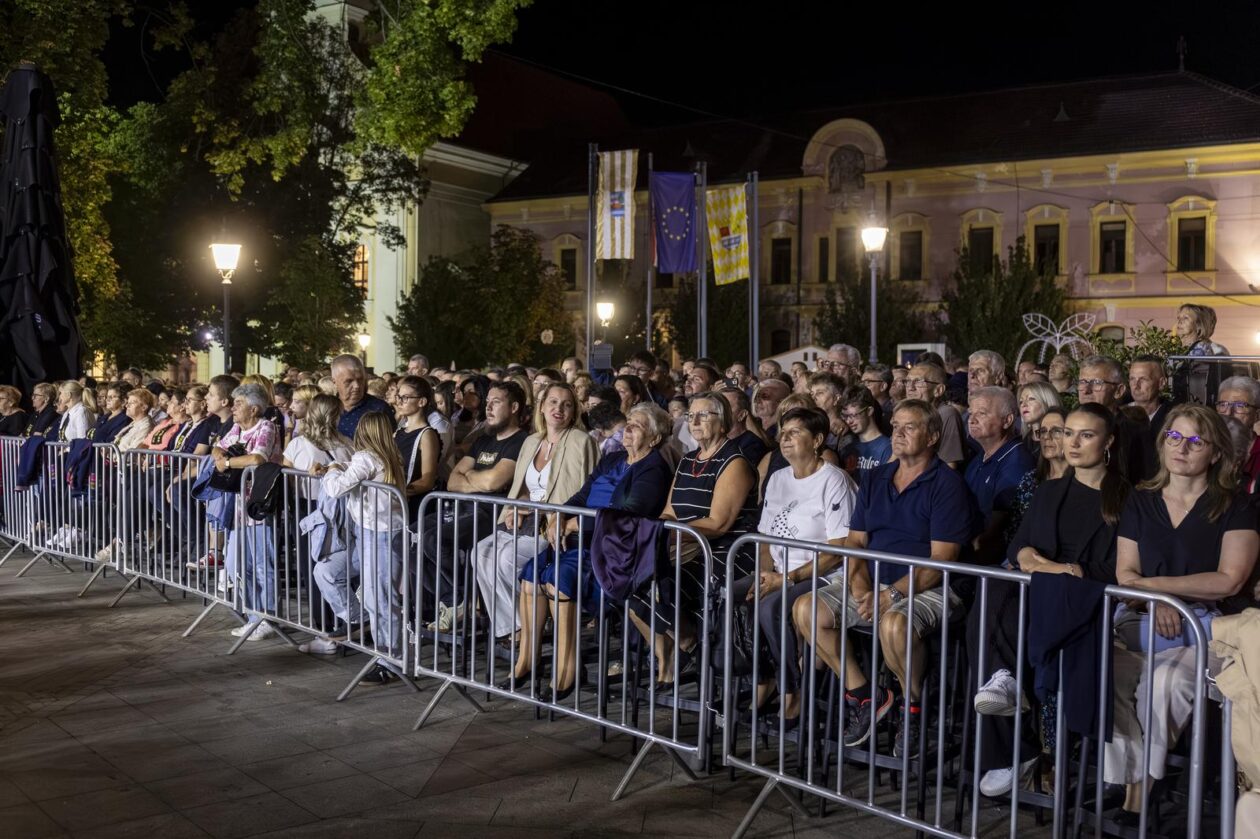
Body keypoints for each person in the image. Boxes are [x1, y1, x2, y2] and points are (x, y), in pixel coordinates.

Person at [794, 400, 976, 752]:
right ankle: (864, 694)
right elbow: (855, 542)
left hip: (929, 584)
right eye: (895, 426)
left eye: (910, 427)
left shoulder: (947, 484)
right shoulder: (876, 477)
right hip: (874, 580)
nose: (899, 433)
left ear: (932, 437)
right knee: (807, 608)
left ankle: (913, 709)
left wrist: (891, 594)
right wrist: (860, 584)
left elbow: (941, 559)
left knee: (893, 624)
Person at [1107, 404, 1259, 821]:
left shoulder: (1235, 505)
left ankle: (1140, 791)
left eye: (1195, 441)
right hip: (1140, 622)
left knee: (1165, 684)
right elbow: (1125, 574)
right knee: (1103, 675)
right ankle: (1124, 776)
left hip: (1206, 630)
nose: (1182, 447)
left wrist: (1160, 592)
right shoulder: (1141, 500)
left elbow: (1228, 580)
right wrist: (1155, 601)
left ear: (1215, 453)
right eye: (1174, 437)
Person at [973, 403, 1128, 796]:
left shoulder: (1126, 497)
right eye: (1067, 433)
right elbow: (1020, 547)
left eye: (1086, 435)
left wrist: (1055, 570)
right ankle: (1006, 689)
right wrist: (1043, 563)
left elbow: (1116, 568)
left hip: (1088, 599)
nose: (1072, 443)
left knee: (1016, 595)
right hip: (1044, 591)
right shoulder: (1050, 490)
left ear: (1108, 441)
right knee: (992, 589)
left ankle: (1017, 743)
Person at [511, 403, 675, 700]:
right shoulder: (613, 459)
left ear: (654, 438)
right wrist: (560, 515)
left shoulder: (654, 469)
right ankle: (527, 660)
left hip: (615, 551)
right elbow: (583, 494)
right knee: (531, 575)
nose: (628, 428)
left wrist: (577, 524)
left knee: (559, 579)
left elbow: (630, 514)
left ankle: (568, 668)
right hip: (581, 541)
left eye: (638, 426)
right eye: (628, 422)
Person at [735, 407, 857, 722]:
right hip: (780, 572)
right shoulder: (778, 478)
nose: (784, 438)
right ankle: (764, 680)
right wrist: (764, 574)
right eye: (783, 432)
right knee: (731, 596)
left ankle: (794, 690)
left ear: (817, 440)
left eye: (795, 432)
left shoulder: (834, 480)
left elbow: (838, 551)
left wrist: (786, 579)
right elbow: (764, 539)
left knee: (770, 607)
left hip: (824, 574)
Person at [630, 391, 758, 689]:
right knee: (635, 580)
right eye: (691, 415)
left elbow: (718, 524)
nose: (695, 421)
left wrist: (669, 535)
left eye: (703, 415)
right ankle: (686, 646)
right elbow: (669, 511)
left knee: (660, 585)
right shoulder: (688, 460)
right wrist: (654, 533)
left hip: (726, 552)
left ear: (723, 421)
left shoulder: (734, 462)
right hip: (690, 546)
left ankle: (690, 645)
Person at [474, 383, 598, 649]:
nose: (558, 408)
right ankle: (517, 625)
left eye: (566, 404)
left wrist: (556, 515)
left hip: (554, 523)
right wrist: (516, 507)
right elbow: (525, 488)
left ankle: (529, 628)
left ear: (574, 411)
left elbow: (586, 490)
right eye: (553, 402)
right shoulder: (531, 441)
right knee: (480, 553)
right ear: (542, 407)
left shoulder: (581, 441)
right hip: (526, 518)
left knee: (506, 559)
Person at [420, 381, 529, 627]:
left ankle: (463, 600)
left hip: (490, 513)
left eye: (496, 402)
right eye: (487, 402)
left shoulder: (521, 441)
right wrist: (478, 480)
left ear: (514, 407)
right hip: (463, 508)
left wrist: (470, 476)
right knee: (406, 539)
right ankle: (455, 600)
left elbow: (493, 482)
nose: (488, 408)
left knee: (434, 540)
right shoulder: (483, 440)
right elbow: (453, 481)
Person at [316, 413, 410, 684]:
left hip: (380, 535)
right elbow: (353, 468)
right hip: (375, 533)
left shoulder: (368, 457)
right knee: (369, 593)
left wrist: (331, 470)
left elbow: (336, 488)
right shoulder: (388, 456)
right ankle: (376, 640)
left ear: (363, 432)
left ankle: (391, 659)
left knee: (381, 598)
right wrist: (339, 465)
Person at [214, 383, 284, 642]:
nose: (233, 408)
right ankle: (255, 616)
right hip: (240, 509)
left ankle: (268, 618)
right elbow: (218, 446)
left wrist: (227, 462)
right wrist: (220, 456)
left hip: (261, 506)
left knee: (263, 565)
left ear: (254, 409)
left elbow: (257, 458)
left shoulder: (266, 427)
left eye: (239, 403)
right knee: (239, 566)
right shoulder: (237, 428)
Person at [965, 387, 1036, 566]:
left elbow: (997, 529)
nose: (972, 419)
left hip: (989, 564)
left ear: (1007, 420)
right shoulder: (980, 457)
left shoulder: (1017, 463)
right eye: (971, 413)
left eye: (982, 413)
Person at [1077, 355, 1146, 483]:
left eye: (1097, 383)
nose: (1086, 390)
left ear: (1119, 391)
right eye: (1082, 382)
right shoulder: (1068, 426)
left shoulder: (1134, 433)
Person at [393, 376, 442, 519]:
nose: (399, 402)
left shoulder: (427, 434)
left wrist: (398, 492)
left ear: (422, 402)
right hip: (397, 503)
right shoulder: (398, 432)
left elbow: (427, 480)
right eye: (399, 397)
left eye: (405, 398)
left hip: (414, 506)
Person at [904, 361, 967, 469]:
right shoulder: (906, 414)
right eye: (908, 381)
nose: (911, 387)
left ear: (939, 390)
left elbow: (949, 467)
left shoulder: (946, 414)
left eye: (919, 382)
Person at [1174, 303, 1230, 407]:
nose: (1179, 321)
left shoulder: (1201, 348)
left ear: (1198, 325)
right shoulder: (1180, 349)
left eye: (1186, 318)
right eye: (1178, 318)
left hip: (1194, 405)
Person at [282, 394, 353, 473]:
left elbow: (287, 477)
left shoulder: (296, 444)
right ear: (335, 417)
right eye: (340, 414)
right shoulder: (348, 444)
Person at [331, 354, 393, 438]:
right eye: (349, 381)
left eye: (360, 380)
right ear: (334, 382)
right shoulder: (327, 408)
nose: (357, 386)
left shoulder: (379, 409)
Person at [841, 388, 892, 485]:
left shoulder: (887, 448)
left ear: (869, 411)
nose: (849, 421)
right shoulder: (848, 449)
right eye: (845, 416)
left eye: (853, 415)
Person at [1215, 375, 1260, 485]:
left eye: (1240, 405)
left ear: (1257, 415)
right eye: (1223, 404)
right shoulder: (1208, 448)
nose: (1228, 413)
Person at [719, 386, 770, 465]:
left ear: (742, 415)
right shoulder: (713, 441)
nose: (718, 411)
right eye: (717, 406)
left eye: (726, 406)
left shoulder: (752, 446)